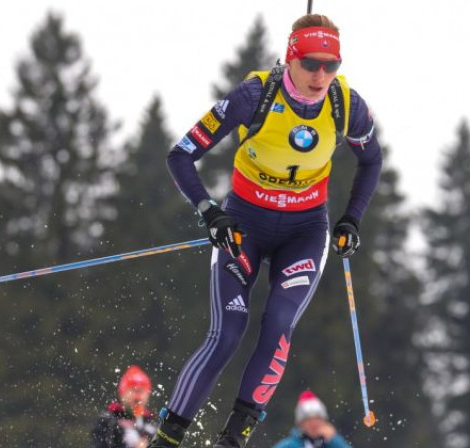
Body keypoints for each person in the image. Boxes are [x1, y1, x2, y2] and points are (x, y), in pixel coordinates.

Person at [149, 13, 382, 448]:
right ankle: (169, 436)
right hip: (244, 227)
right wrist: (209, 212)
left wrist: (351, 219)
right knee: (229, 330)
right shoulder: (254, 95)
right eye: (311, 62)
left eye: (331, 65)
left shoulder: (347, 105)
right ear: (292, 57)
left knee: (278, 322)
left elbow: (372, 161)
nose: (321, 75)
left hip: (305, 231)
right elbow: (180, 155)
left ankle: (234, 437)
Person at [92, 365, 158, 448]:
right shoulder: (109, 420)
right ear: (123, 394)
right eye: (133, 390)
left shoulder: (150, 422)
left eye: (142, 391)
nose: (138, 396)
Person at [271, 391, 352, 448]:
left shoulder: (333, 443)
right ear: (301, 424)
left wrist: (333, 440)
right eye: (309, 420)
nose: (314, 424)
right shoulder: (289, 445)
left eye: (317, 418)